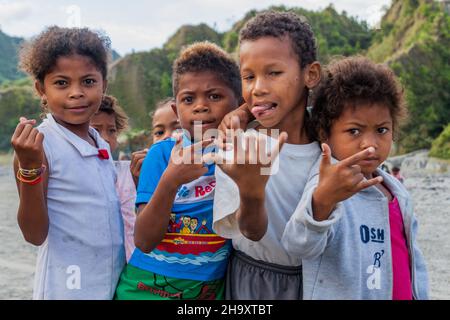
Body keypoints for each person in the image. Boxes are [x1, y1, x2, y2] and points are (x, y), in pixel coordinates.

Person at [281, 56, 429, 299]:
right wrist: (323, 202)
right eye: (354, 131)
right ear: (324, 133)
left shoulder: (396, 190)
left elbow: (414, 261)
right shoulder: (328, 184)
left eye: (381, 130)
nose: (370, 145)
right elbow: (298, 245)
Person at [114, 41, 242, 299]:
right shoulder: (161, 155)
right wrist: (170, 181)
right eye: (188, 99)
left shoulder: (243, 153)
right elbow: (144, 240)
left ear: (238, 103)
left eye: (214, 96)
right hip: (143, 289)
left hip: (205, 291)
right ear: (176, 109)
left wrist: (244, 116)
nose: (200, 106)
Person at [212, 11, 321, 299]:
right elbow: (250, 231)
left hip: (317, 281)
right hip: (252, 282)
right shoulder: (237, 147)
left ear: (310, 75)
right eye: (248, 77)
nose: (258, 88)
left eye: (273, 73)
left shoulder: (327, 149)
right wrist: (251, 191)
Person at [11, 26, 125, 299]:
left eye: (88, 81)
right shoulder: (40, 146)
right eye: (61, 83)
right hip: (67, 288)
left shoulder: (99, 142)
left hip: (110, 282)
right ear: (41, 89)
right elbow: (34, 234)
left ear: (103, 85)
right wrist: (29, 167)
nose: (76, 93)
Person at [90, 95, 136, 262]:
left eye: (112, 130)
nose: (106, 138)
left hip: (130, 267)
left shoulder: (129, 172)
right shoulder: (73, 176)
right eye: (96, 130)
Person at [128, 97, 181, 186]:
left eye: (178, 129)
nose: (166, 136)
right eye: (159, 132)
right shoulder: (151, 171)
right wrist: (141, 182)